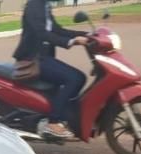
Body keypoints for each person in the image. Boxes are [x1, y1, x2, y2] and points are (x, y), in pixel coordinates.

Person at [13, 0, 89, 138]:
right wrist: (71, 41)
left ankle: (65, 115)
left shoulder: (44, 5)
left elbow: (57, 30)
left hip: (44, 58)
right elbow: (41, 33)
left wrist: (86, 35)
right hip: (33, 59)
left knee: (79, 77)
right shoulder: (34, 5)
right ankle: (53, 122)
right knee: (74, 78)